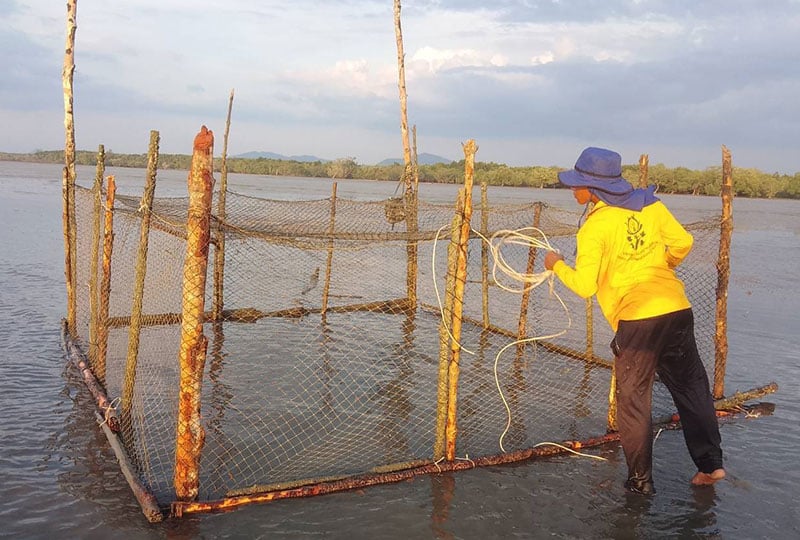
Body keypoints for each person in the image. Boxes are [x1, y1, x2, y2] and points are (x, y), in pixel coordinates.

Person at [543, 147, 725, 495]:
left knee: (633, 403)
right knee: (691, 389)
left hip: (638, 321)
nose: (573, 190)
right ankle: (710, 466)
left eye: (577, 184)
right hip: (676, 309)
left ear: (592, 190)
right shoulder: (650, 205)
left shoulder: (595, 227)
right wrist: (664, 266)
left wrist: (556, 265)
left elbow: (585, 286)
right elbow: (683, 242)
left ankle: (640, 483)